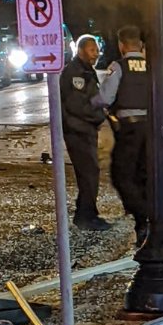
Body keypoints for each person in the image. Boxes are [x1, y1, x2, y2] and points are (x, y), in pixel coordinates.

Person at [94, 25, 150, 246]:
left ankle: (142, 215)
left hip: (129, 130)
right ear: (140, 45)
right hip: (151, 130)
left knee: (121, 175)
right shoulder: (153, 67)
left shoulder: (119, 66)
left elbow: (105, 98)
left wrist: (90, 102)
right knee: (146, 175)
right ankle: (146, 224)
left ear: (122, 46)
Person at [61, 34, 108, 230]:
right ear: (80, 51)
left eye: (97, 50)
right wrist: (99, 116)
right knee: (89, 173)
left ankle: (85, 212)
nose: (95, 54)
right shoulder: (75, 73)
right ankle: (86, 217)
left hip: (84, 129)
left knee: (88, 173)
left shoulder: (86, 70)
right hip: (77, 130)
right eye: (91, 50)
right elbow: (77, 106)